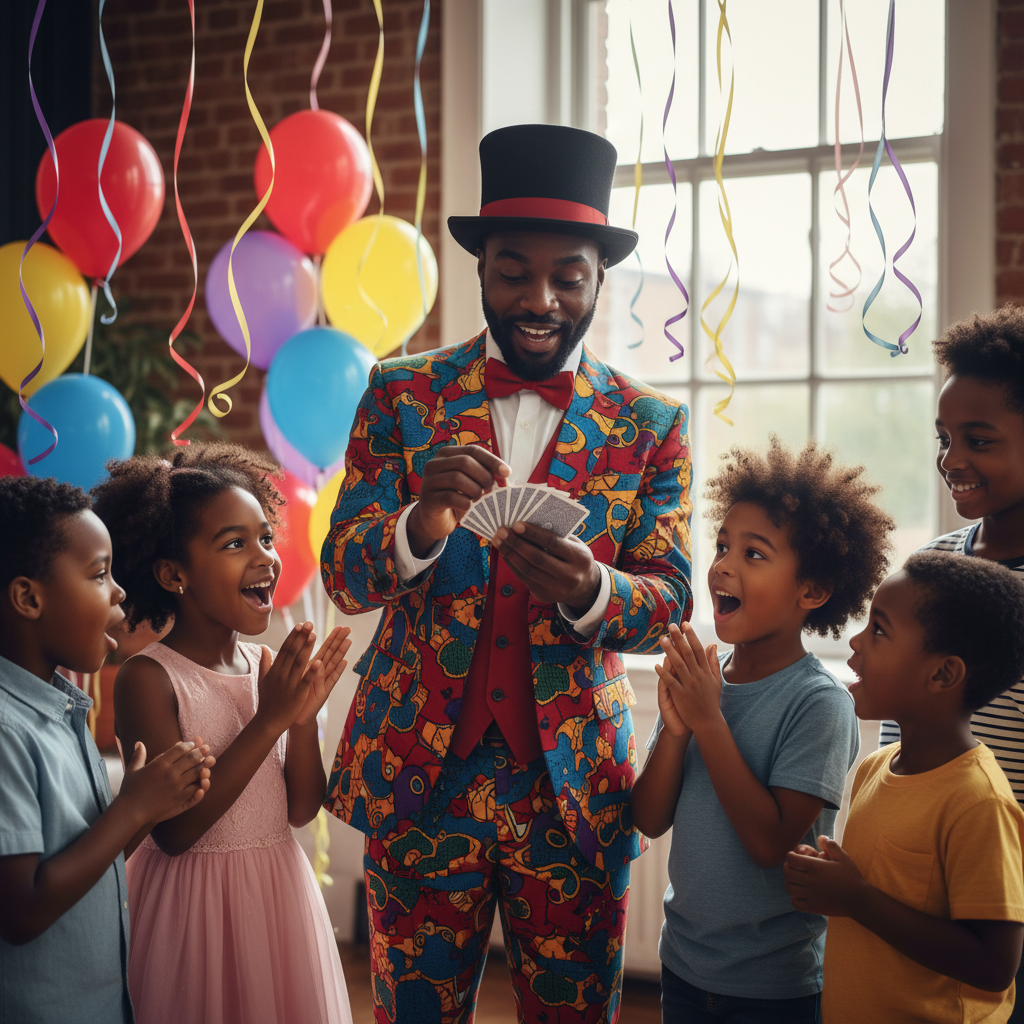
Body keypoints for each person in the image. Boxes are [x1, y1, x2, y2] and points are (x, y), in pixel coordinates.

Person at [321, 123, 693, 1023]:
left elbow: (672, 599)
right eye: (513, 270)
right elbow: (342, 572)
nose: (541, 297)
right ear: (480, 268)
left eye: (568, 275)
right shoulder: (400, 394)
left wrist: (590, 592)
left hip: (574, 792)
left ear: (599, 279)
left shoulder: (650, 423)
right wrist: (417, 523)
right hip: (419, 779)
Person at [91, 443, 354, 1024]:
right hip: (194, 911)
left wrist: (302, 718)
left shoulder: (267, 669)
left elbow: (303, 807)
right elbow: (176, 833)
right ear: (172, 574)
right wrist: (269, 720)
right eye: (234, 544)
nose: (263, 557)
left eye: (264, 537)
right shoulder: (148, 678)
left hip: (278, 895)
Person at [632, 438, 894, 1022]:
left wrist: (707, 720)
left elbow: (769, 844)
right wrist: (676, 730)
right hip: (682, 965)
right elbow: (648, 819)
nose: (722, 564)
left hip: (774, 988)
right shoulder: (705, 679)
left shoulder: (819, 703)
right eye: (723, 545)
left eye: (754, 554)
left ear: (813, 592)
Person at [0, 475, 215, 1024]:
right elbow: (21, 910)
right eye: (99, 574)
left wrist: (144, 809)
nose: (120, 592)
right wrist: (133, 809)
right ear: (28, 597)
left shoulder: (63, 709)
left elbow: (84, 856)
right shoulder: (6, 729)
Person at [784, 551, 1024, 1024]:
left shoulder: (978, 800)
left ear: (942, 674)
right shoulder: (876, 767)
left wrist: (856, 898)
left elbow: (994, 965)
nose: (855, 641)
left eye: (879, 630)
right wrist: (840, 880)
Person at [877, 305, 1024, 1016]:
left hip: (1004, 896)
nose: (952, 459)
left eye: (980, 439)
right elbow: (896, 731)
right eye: (944, 438)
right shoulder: (930, 568)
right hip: (913, 891)